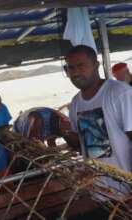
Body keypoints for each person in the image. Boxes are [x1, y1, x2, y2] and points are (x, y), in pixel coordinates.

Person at [63, 45, 132, 196]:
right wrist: (64, 132)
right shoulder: (75, 103)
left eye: (81, 65)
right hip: (98, 191)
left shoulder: (120, 93)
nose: (75, 72)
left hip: (127, 192)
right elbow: (81, 146)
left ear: (96, 65)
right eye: (70, 68)